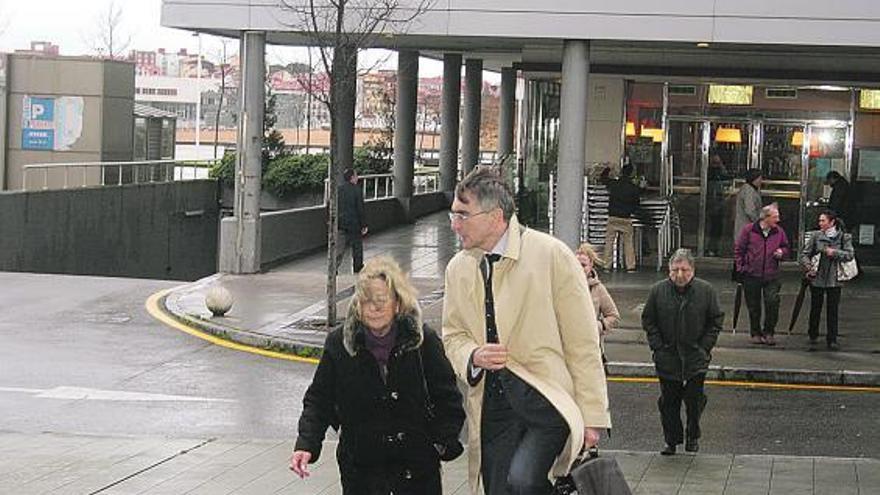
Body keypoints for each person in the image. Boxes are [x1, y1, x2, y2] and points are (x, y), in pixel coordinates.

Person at [442, 167, 611, 495]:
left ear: (495, 216)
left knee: (523, 481)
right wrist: (473, 355)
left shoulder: (552, 255)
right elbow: (453, 335)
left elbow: (583, 343)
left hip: (548, 399)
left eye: (462, 214)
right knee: (498, 489)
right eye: (453, 214)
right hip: (492, 405)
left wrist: (593, 416)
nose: (454, 224)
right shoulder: (458, 268)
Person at [290, 256, 465, 495]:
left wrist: (440, 443)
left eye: (382, 300)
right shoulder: (339, 344)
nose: (375, 307)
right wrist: (306, 444)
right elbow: (319, 401)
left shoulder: (422, 341)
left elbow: (447, 397)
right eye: (367, 300)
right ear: (357, 306)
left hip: (416, 469)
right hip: (362, 470)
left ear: (397, 303)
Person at [641, 249, 723, 456]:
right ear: (669, 270)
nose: (679, 274)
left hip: (696, 356)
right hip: (667, 356)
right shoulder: (658, 291)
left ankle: (693, 435)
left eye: (684, 270)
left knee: (694, 401)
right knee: (669, 402)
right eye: (675, 270)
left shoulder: (706, 291)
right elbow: (649, 320)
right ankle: (671, 441)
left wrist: (704, 347)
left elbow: (715, 320)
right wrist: (657, 347)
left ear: (692, 270)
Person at [734, 204, 790, 346]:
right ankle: (755, 332)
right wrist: (742, 267)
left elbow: (786, 247)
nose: (778, 219)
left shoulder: (779, 232)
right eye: (775, 217)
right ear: (765, 217)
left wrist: (782, 253)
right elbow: (739, 249)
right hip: (752, 273)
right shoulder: (749, 230)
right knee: (753, 306)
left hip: (772, 274)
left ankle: (769, 332)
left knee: (772, 302)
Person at [800, 210, 855, 351]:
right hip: (817, 276)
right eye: (819, 221)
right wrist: (808, 267)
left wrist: (834, 252)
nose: (820, 223)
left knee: (833, 309)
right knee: (815, 307)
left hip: (835, 278)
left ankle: (832, 338)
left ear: (832, 222)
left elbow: (850, 255)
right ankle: (813, 333)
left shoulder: (844, 237)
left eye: (823, 221)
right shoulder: (815, 236)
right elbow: (805, 254)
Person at [575, 243, 621, 342]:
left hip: (591, 344)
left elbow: (614, 316)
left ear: (591, 265)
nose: (580, 269)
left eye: (583, 265)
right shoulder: (562, 287)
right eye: (576, 265)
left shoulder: (598, 288)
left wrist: (598, 326)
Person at [603, 164, 641, 273]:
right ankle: (630, 266)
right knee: (628, 243)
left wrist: (608, 168)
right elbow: (637, 204)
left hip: (613, 217)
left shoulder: (614, 184)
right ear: (632, 174)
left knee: (609, 241)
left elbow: (603, 178)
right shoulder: (633, 188)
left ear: (621, 172)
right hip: (626, 218)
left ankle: (606, 266)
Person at [336, 168, 368, 273]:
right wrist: (363, 225)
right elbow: (360, 209)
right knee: (357, 247)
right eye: (356, 176)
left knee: (339, 248)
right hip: (354, 224)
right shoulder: (357, 190)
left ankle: (333, 267)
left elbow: (331, 205)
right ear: (352, 178)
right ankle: (358, 267)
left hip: (341, 223)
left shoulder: (338, 190)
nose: (357, 177)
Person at [705, 154, 730, 256]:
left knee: (715, 227)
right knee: (716, 228)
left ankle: (713, 248)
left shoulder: (711, 171)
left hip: (715, 203)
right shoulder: (714, 172)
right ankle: (712, 249)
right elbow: (725, 176)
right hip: (715, 204)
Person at [734, 169, 763, 244]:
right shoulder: (749, 191)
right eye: (760, 178)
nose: (761, 181)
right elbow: (750, 210)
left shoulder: (750, 189)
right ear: (754, 178)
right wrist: (758, 222)